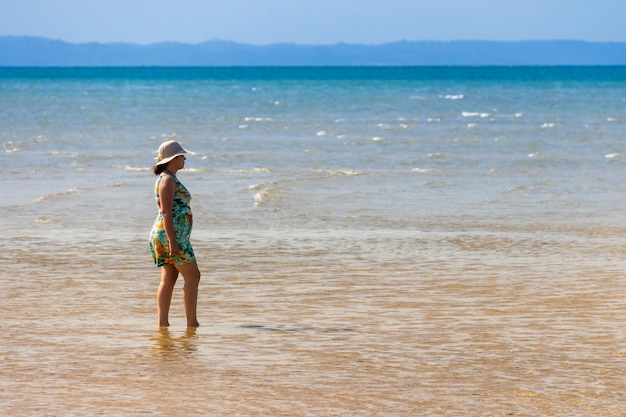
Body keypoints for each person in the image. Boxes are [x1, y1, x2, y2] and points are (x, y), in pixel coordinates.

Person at [149, 140, 201, 327]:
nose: (184, 158)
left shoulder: (168, 178)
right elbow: (166, 212)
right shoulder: (168, 180)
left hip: (170, 235)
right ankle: (191, 323)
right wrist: (173, 241)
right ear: (173, 159)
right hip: (171, 236)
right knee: (193, 276)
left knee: (169, 278)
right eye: (181, 156)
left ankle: (163, 324)